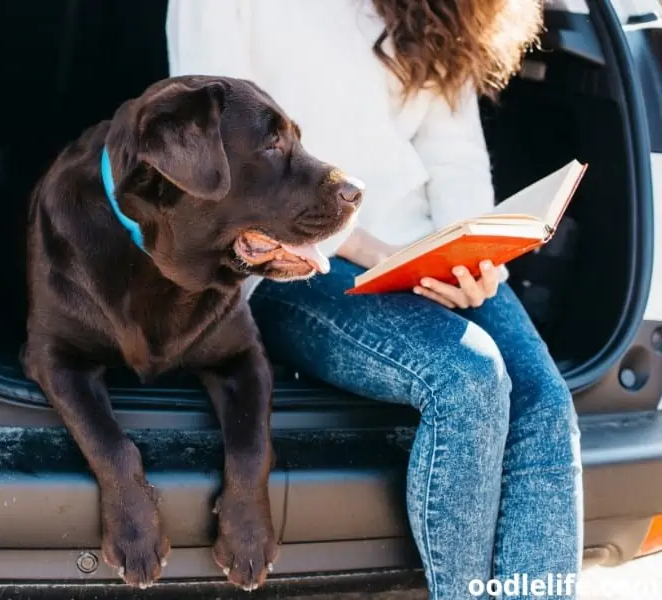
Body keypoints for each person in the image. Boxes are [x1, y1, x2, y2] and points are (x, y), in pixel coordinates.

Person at [166, 1, 583, 598]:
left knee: (544, 402)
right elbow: (217, 160)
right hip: (294, 260)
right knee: (468, 376)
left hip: (422, 253)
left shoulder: (429, 8)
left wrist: (479, 256)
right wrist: (360, 243)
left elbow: (454, 154)